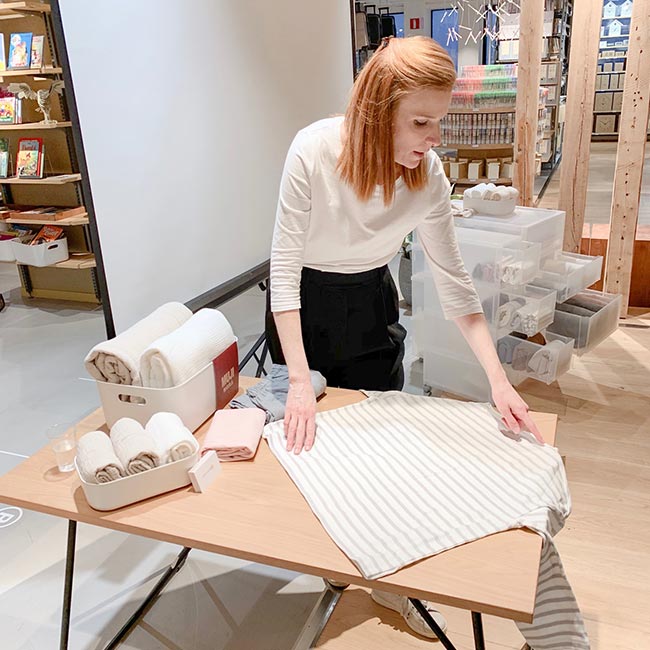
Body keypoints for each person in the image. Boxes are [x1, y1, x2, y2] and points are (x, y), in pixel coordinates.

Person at [265, 35, 543, 639]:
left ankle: (389, 581)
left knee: (376, 448)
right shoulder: (314, 149)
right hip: (303, 309)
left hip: (371, 299)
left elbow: (456, 286)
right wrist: (298, 383)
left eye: (439, 121)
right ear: (377, 112)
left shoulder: (428, 176)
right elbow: (282, 274)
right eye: (421, 122)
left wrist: (498, 383)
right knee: (312, 447)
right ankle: (330, 561)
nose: (434, 137)